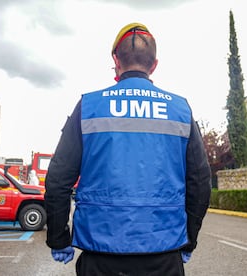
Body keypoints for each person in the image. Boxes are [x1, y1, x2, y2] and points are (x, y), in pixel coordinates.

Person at [44, 22, 211, 276]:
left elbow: (58, 179)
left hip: (100, 256)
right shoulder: (180, 110)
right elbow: (200, 181)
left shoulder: (89, 107)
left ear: (116, 61)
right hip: (164, 255)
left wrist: (59, 238)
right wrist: (190, 239)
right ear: (154, 65)